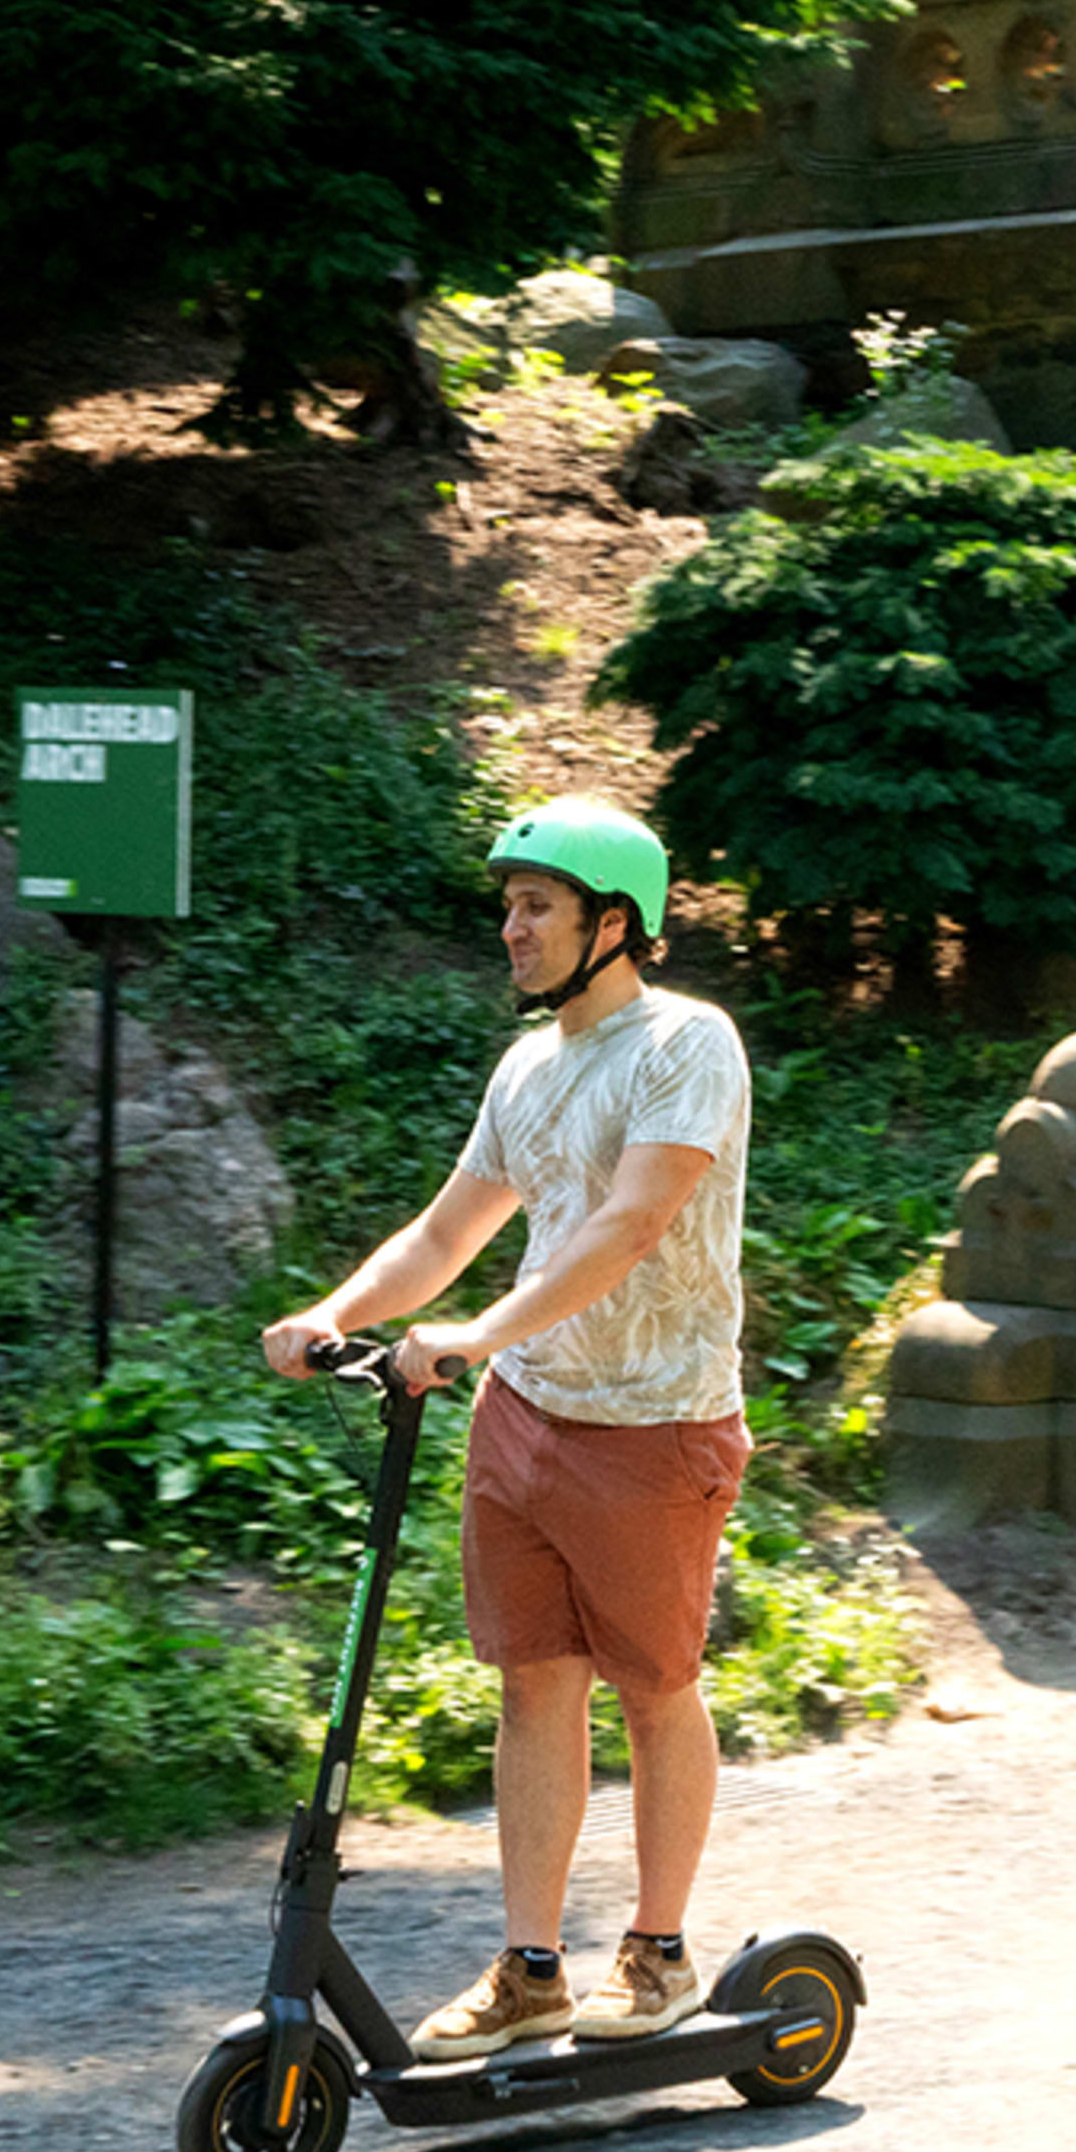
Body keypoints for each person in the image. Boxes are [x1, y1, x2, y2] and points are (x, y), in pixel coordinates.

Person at [259, 794, 752, 2059]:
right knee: (534, 1686)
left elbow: (631, 1224)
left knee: (654, 1689)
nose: (510, 927)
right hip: (525, 1420)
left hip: (652, 1423)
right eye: (508, 904)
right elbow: (446, 1231)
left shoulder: (684, 1046)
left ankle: (658, 1952)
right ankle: (533, 1967)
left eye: (537, 905)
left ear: (615, 923)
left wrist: (476, 1332)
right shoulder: (528, 1067)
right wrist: (336, 1309)